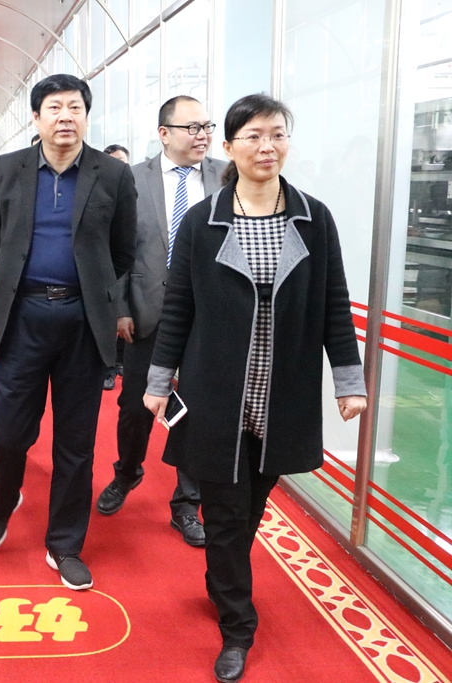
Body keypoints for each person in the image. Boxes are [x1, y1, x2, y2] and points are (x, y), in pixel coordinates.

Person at [143, 93, 367, 683]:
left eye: (277, 135)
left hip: (283, 391)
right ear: (229, 146)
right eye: (253, 136)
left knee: (250, 509)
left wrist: (349, 379)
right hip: (216, 392)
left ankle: (223, 577)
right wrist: (159, 379)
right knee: (223, 512)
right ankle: (237, 626)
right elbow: (179, 306)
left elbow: (334, 304)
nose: (267, 147)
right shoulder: (203, 221)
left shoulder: (314, 218)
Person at [0, 74, 137, 591]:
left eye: (74, 107)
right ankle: (3, 501)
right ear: (36, 116)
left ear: (86, 116)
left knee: (76, 442)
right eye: (54, 107)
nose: (65, 116)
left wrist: (87, 287)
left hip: (83, 323)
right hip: (22, 317)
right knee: (5, 434)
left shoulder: (113, 174)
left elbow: (123, 250)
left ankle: (65, 543)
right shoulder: (7, 169)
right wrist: (16, 281)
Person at [96, 96, 227, 550]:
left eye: (206, 126)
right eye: (192, 127)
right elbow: (117, 250)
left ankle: (187, 503)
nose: (202, 135)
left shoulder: (226, 177)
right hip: (148, 312)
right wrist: (119, 308)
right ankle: (127, 472)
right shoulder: (132, 179)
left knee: (197, 410)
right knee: (136, 407)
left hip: (209, 317)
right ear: (164, 133)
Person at [100, 143, 130, 391]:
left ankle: (121, 361)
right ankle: (108, 367)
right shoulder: (100, 191)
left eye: (123, 161)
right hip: (107, 268)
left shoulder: (135, 186)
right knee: (110, 318)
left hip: (132, 263)